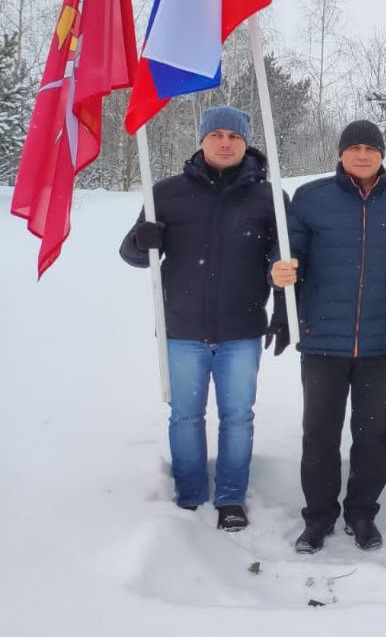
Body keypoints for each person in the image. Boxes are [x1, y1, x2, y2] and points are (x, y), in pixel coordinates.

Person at [119, 106, 287, 531]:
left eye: (234, 134)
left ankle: (231, 498)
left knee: (237, 417)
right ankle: (190, 495)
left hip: (241, 329)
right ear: (202, 140)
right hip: (182, 329)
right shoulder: (167, 193)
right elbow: (132, 255)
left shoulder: (269, 197)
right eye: (217, 135)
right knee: (186, 416)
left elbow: (280, 258)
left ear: (246, 141)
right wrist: (143, 240)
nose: (226, 142)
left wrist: (278, 276)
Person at [270, 120, 386, 554]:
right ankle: (318, 517)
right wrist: (279, 270)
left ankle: (362, 513)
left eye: (370, 148)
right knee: (319, 433)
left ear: (381, 154)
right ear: (341, 154)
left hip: (381, 340)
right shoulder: (311, 198)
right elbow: (288, 254)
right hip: (323, 338)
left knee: (374, 433)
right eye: (354, 147)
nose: (362, 154)